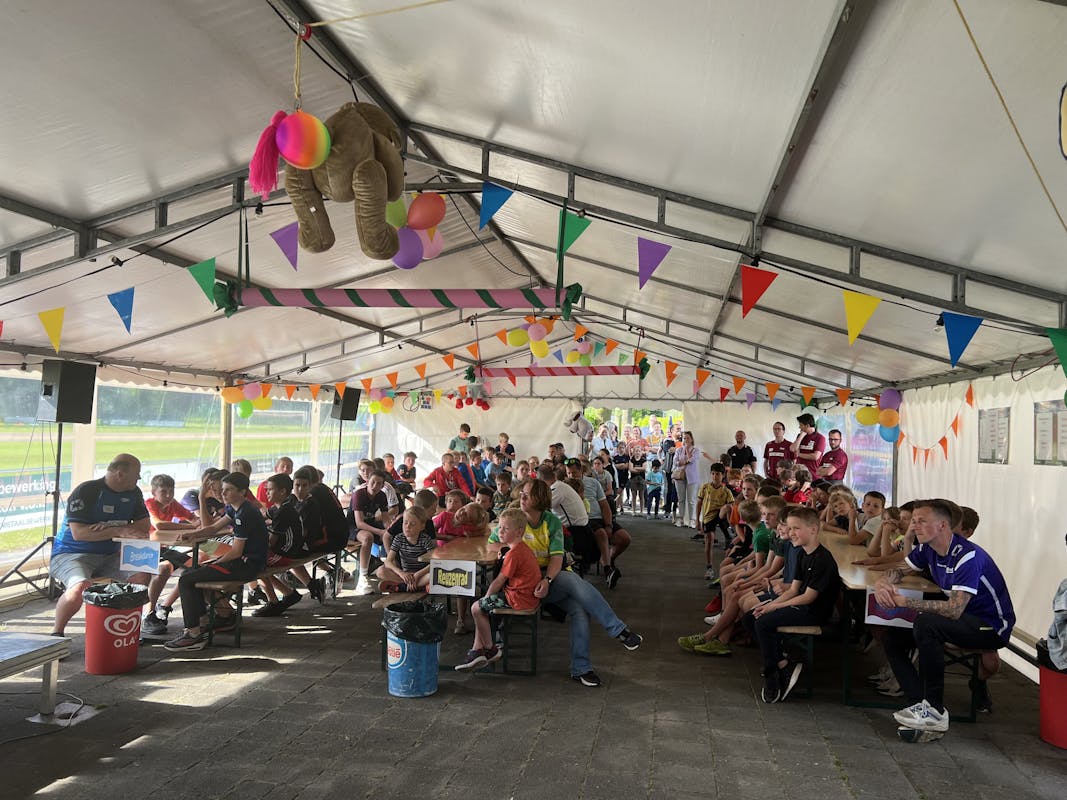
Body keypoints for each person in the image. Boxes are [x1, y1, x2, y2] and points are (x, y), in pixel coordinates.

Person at [874, 499, 1015, 734]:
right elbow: (899, 570)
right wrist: (882, 583)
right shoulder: (927, 548)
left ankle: (935, 710)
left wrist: (904, 602)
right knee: (892, 637)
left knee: (926, 624)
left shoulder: (967, 556)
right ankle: (919, 703)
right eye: (913, 521)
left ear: (942, 525)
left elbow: (953, 610)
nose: (913, 526)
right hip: (962, 621)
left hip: (991, 627)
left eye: (921, 521)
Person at [491, 479, 641, 687]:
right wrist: (504, 549)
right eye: (522, 493)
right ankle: (616, 634)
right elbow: (492, 542)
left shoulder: (551, 522)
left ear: (539, 499)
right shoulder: (515, 519)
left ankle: (582, 668)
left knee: (574, 594)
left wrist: (547, 580)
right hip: (521, 586)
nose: (522, 497)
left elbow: (556, 558)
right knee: (576, 598)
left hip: (547, 579)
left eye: (527, 494)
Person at [48, 454, 153, 637]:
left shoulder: (134, 492)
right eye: (136, 474)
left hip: (110, 555)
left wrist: (110, 526)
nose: (139, 478)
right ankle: (57, 632)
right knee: (79, 586)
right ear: (120, 474)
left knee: (142, 573)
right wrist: (117, 530)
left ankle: (126, 628)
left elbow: (144, 527)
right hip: (71, 553)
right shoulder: (87, 491)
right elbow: (80, 534)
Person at [164, 472, 269, 651]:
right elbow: (213, 528)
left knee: (186, 579)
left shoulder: (245, 513)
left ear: (242, 492)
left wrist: (215, 563)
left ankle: (193, 634)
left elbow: (236, 552)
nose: (223, 494)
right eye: (223, 489)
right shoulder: (235, 508)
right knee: (190, 572)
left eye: (229, 490)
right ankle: (203, 624)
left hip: (247, 566)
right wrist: (193, 534)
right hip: (242, 562)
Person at [746, 506, 840, 703]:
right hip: (800, 605)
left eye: (796, 528)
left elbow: (808, 598)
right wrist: (769, 605)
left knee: (762, 623)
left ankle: (772, 675)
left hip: (814, 612)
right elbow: (793, 590)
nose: (790, 533)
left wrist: (772, 607)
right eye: (789, 528)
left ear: (813, 529)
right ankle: (782, 663)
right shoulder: (802, 554)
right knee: (750, 617)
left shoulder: (823, 559)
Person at [456, 508, 542, 670]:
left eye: (505, 528)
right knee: (481, 606)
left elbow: (499, 581)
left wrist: (486, 599)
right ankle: (477, 650)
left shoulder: (514, 553)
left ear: (519, 532)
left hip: (518, 599)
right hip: (525, 596)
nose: (500, 531)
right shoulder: (520, 549)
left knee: (476, 608)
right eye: (500, 527)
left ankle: (491, 649)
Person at [376, 506, 435, 594]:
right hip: (405, 574)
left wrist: (418, 575)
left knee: (434, 574)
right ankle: (418, 586)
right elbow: (388, 561)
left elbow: (434, 562)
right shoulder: (399, 538)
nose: (408, 526)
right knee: (380, 571)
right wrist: (401, 573)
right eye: (405, 523)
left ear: (422, 526)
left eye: (413, 524)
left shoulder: (425, 540)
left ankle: (402, 587)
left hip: (421, 574)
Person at [695, 464, 734, 578]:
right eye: (713, 474)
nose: (715, 476)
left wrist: (731, 522)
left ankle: (729, 533)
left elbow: (732, 506)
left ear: (723, 475)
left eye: (718, 474)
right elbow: (699, 503)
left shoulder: (726, 491)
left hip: (721, 516)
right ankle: (709, 567)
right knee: (709, 540)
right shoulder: (705, 487)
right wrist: (697, 520)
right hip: (709, 517)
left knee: (728, 507)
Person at [673, 431, 701, 528]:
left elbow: (692, 460)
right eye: (684, 438)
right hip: (679, 476)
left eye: (688, 438)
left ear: (692, 439)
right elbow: (675, 462)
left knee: (691, 500)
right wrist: (684, 461)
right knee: (681, 499)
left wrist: (687, 451)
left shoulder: (696, 450)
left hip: (692, 477)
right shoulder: (679, 450)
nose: (685, 440)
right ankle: (681, 519)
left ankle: (692, 520)